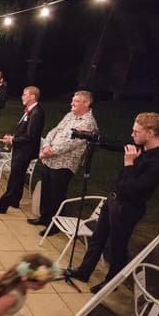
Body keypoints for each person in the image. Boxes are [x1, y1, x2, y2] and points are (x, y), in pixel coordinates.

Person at [64, 112, 159, 294]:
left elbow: (135, 188)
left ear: (151, 132)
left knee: (117, 246)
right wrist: (92, 137)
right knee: (98, 238)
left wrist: (129, 164)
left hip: (128, 208)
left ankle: (111, 283)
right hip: (113, 200)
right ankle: (84, 271)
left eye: (136, 132)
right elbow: (116, 145)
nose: (132, 135)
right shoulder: (140, 146)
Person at [28, 91, 97, 234]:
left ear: (86, 103)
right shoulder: (70, 115)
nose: (72, 103)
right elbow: (55, 130)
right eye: (73, 100)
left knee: (56, 195)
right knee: (46, 191)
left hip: (63, 165)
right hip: (50, 160)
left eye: (76, 101)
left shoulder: (88, 123)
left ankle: (53, 225)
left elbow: (70, 144)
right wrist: (46, 144)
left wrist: (50, 151)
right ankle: (44, 217)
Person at [0, 86, 45, 215]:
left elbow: (30, 136)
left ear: (32, 97)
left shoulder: (36, 113)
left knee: (14, 179)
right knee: (18, 177)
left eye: (25, 94)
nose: (22, 96)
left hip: (25, 152)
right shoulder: (30, 110)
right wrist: (13, 137)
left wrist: (12, 140)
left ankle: (1, 206)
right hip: (21, 149)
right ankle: (15, 201)